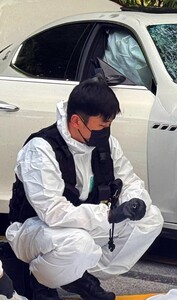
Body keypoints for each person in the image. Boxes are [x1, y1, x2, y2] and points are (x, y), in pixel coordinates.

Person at [6, 76, 164, 300]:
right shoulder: (41, 149)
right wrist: (108, 215)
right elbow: (52, 212)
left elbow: (128, 179)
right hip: (33, 231)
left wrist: (135, 201)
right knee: (78, 243)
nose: (106, 132)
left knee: (151, 219)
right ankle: (40, 279)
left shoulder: (105, 145)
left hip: (82, 225)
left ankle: (78, 275)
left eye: (109, 125)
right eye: (101, 126)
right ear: (77, 121)